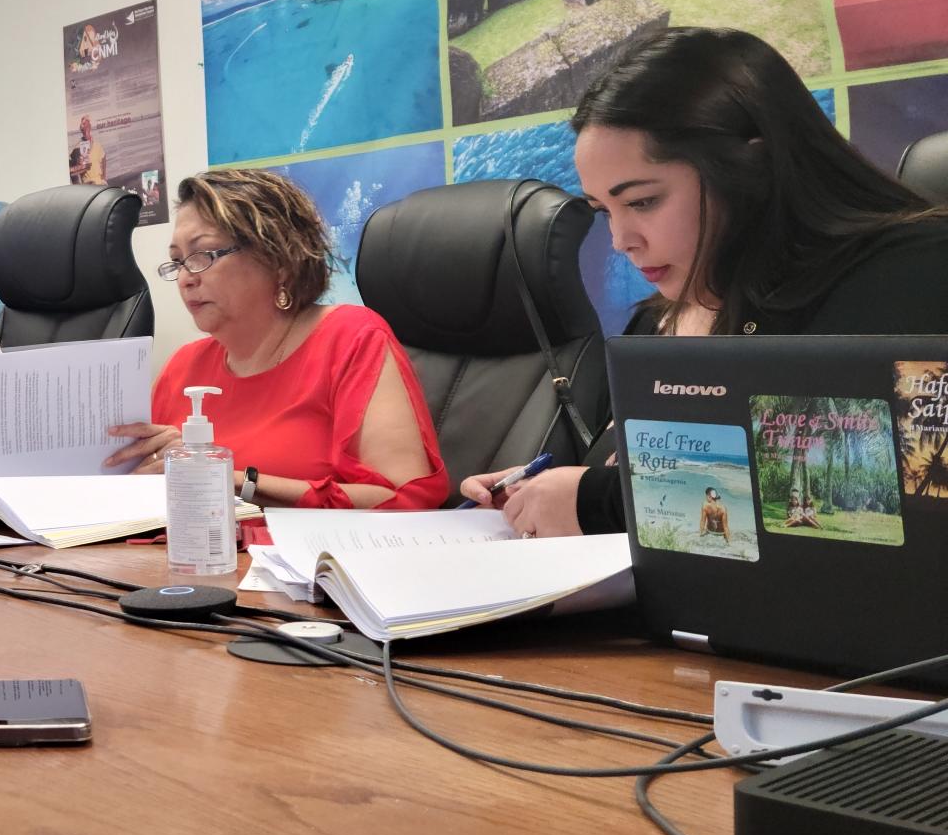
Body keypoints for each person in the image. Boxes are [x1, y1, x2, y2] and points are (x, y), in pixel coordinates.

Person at [463, 29, 948, 536]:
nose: (620, 240)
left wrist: (597, 502)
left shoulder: (910, 276)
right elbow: (616, 472)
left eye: (643, 202)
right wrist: (535, 493)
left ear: (751, 169)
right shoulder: (655, 322)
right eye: (603, 210)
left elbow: (891, 495)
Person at [105, 168, 449, 510]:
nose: (184, 279)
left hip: (307, 560)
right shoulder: (183, 367)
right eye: (178, 262)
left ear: (278, 258)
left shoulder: (352, 338)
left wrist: (232, 479)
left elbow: (405, 498)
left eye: (203, 255)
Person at [75, 117, 107, 185]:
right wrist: (78, 163)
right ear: (81, 130)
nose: (86, 130)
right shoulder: (77, 147)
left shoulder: (97, 144)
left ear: (90, 127)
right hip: (88, 182)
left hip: (100, 181)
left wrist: (104, 176)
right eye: (84, 128)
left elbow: (104, 157)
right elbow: (74, 168)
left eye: (87, 127)